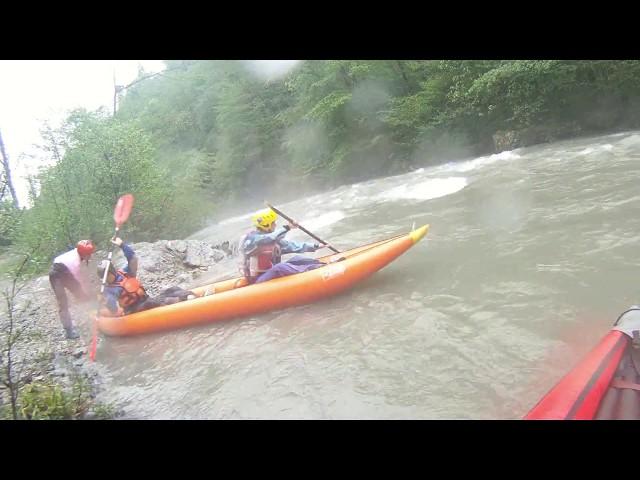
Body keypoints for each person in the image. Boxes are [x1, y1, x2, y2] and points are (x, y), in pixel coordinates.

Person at [97, 237, 196, 317]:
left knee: (172, 290)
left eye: (107, 275)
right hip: (133, 311)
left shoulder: (126, 272)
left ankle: (192, 296)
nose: (105, 279)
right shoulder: (109, 290)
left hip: (146, 300)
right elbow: (113, 309)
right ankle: (187, 304)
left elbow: (133, 258)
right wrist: (105, 301)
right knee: (152, 302)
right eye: (103, 277)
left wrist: (122, 245)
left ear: (112, 271)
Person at [238, 208, 325, 284]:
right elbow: (268, 238)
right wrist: (288, 227)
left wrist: (316, 246)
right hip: (258, 280)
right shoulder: (251, 240)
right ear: (266, 225)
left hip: (269, 273)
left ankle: (321, 265)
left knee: (297, 258)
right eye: (273, 223)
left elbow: (292, 246)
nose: (275, 225)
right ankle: (313, 272)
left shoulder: (273, 240)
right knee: (279, 267)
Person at [49, 240, 96, 339]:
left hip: (63, 268)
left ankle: (93, 313)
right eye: (88, 254)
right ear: (83, 253)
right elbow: (78, 280)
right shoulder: (74, 262)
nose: (90, 256)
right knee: (63, 302)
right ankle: (68, 330)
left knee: (81, 295)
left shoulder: (77, 251)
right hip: (56, 273)